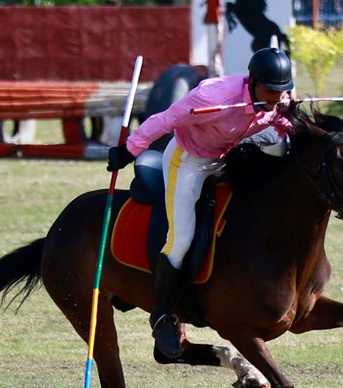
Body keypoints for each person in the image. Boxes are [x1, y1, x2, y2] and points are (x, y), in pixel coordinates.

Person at [107, 47, 295, 359]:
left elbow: (281, 125)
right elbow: (163, 120)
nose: (276, 98)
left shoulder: (278, 99)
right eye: (270, 91)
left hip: (228, 154)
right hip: (189, 161)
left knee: (279, 151)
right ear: (252, 81)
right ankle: (163, 316)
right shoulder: (212, 99)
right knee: (180, 240)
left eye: (281, 91)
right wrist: (129, 150)